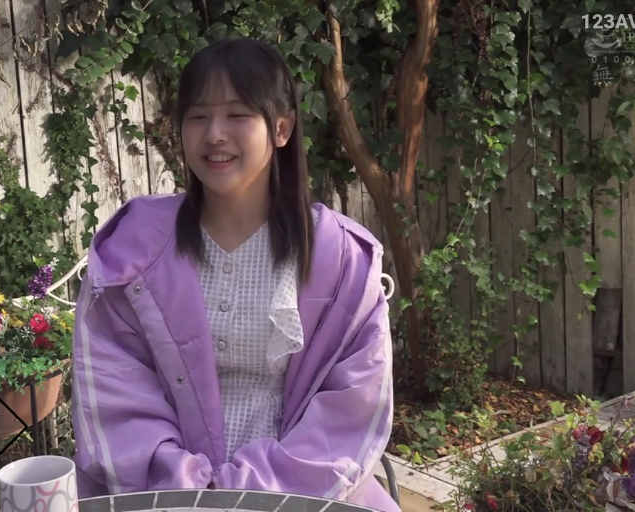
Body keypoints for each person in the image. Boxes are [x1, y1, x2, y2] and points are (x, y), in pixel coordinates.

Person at [70, 37, 399, 512]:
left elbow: (352, 408)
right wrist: (190, 494)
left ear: (282, 127)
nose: (215, 134)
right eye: (198, 117)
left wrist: (248, 496)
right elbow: (113, 390)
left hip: (301, 493)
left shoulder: (342, 258)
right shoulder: (133, 250)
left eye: (237, 115)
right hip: (159, 495)